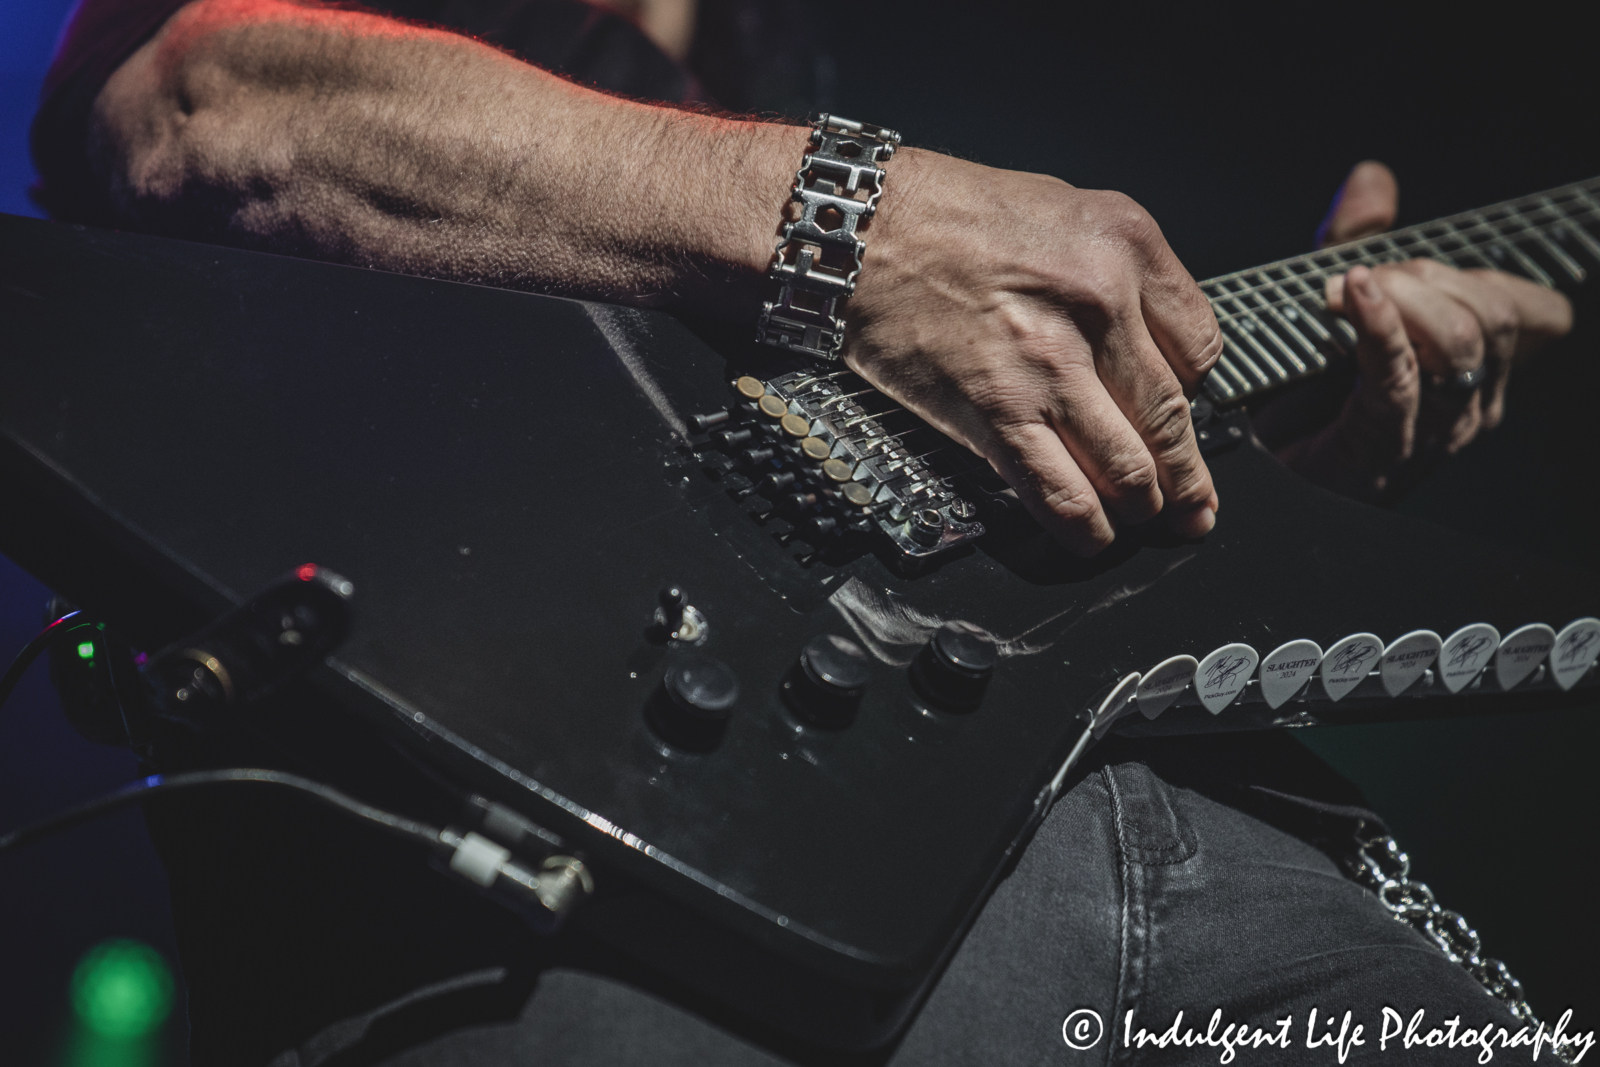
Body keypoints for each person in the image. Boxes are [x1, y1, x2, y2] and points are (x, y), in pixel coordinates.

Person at [25, 0, 1582, 1063]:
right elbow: (195, 106)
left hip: (1143, 836)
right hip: (577, 894)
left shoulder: (782, 47)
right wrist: (844, 216)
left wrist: (1254, 460)